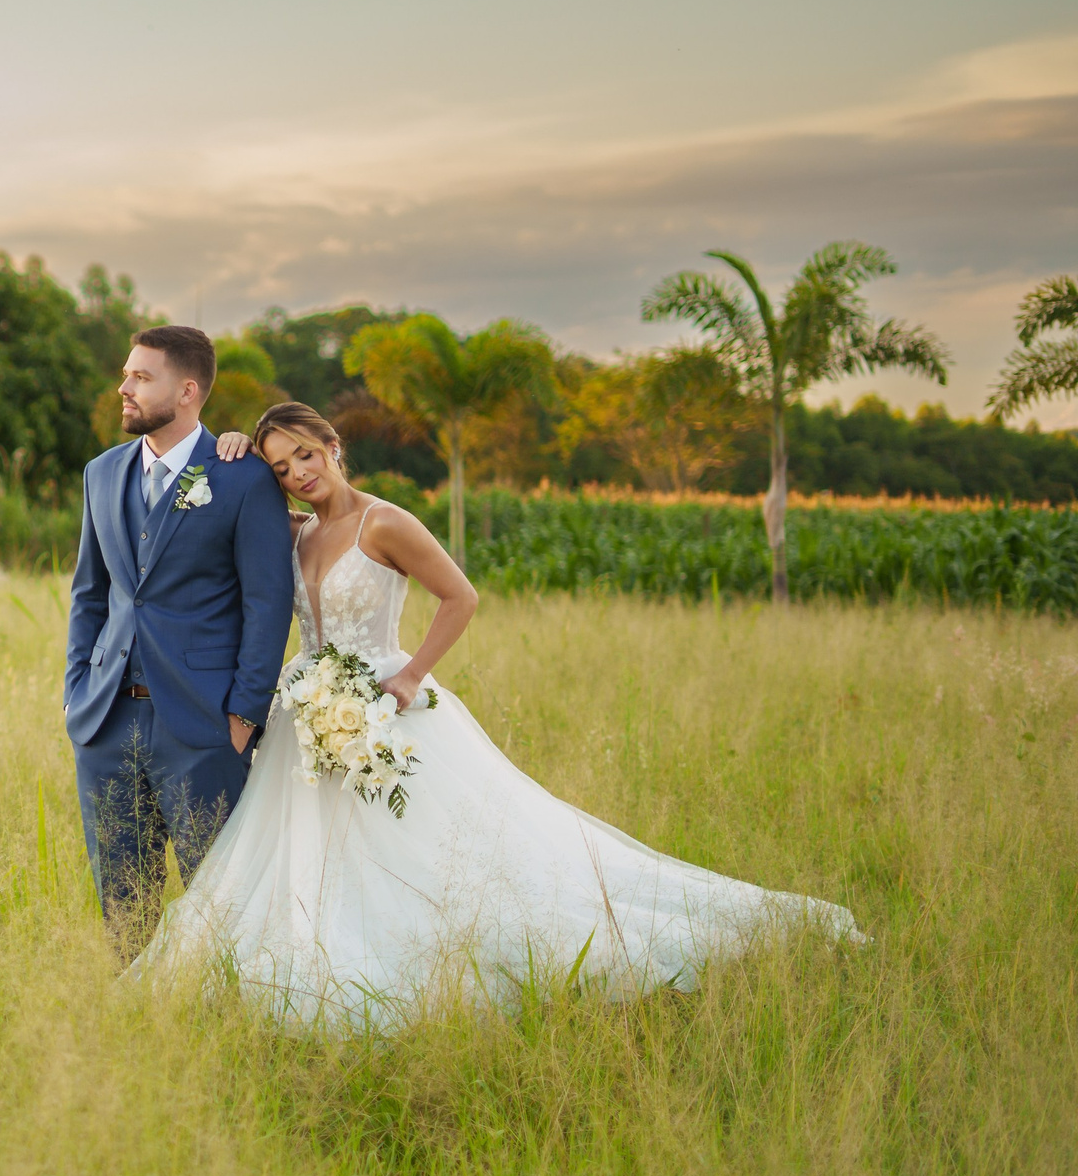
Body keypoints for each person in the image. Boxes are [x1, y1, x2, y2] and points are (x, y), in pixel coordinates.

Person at [127, 400, 859, 1029]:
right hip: (308, 715)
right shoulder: (291, 531)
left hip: (386, 701)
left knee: (447, 854)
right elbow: (205, 499)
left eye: (306, 455)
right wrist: (226, 450)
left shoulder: (386, 524)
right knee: (318, 856)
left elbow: (462, 596)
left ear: (335, 447)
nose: (298, 474)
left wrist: (412, 676)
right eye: (283, 467)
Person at [65, 326, 296, 948]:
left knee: (220, 903)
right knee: (122, 906)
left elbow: (268, 606)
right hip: (106, 722)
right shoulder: (101, 473)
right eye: (126, 373)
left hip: (204, 728)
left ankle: (229, 1026)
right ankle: (134, 1027)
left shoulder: (243, 478)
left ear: (188, 390)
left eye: (142, 377)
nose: (125, 387)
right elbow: (90, 594)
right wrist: (76, 693)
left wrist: (244, 714)